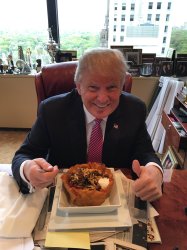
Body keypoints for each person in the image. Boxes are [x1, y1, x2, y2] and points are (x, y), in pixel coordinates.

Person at [12, 48, 163, 202]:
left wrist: (155, 171)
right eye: (93, 87)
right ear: (79, 86)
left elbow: (146, 154)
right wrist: (28, 169)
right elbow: (23, 156)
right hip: (64, 198)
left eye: (112, 87)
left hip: (114, 199)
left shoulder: (134, 109)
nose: (103, 99)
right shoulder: (52, 110)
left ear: (122, 85)